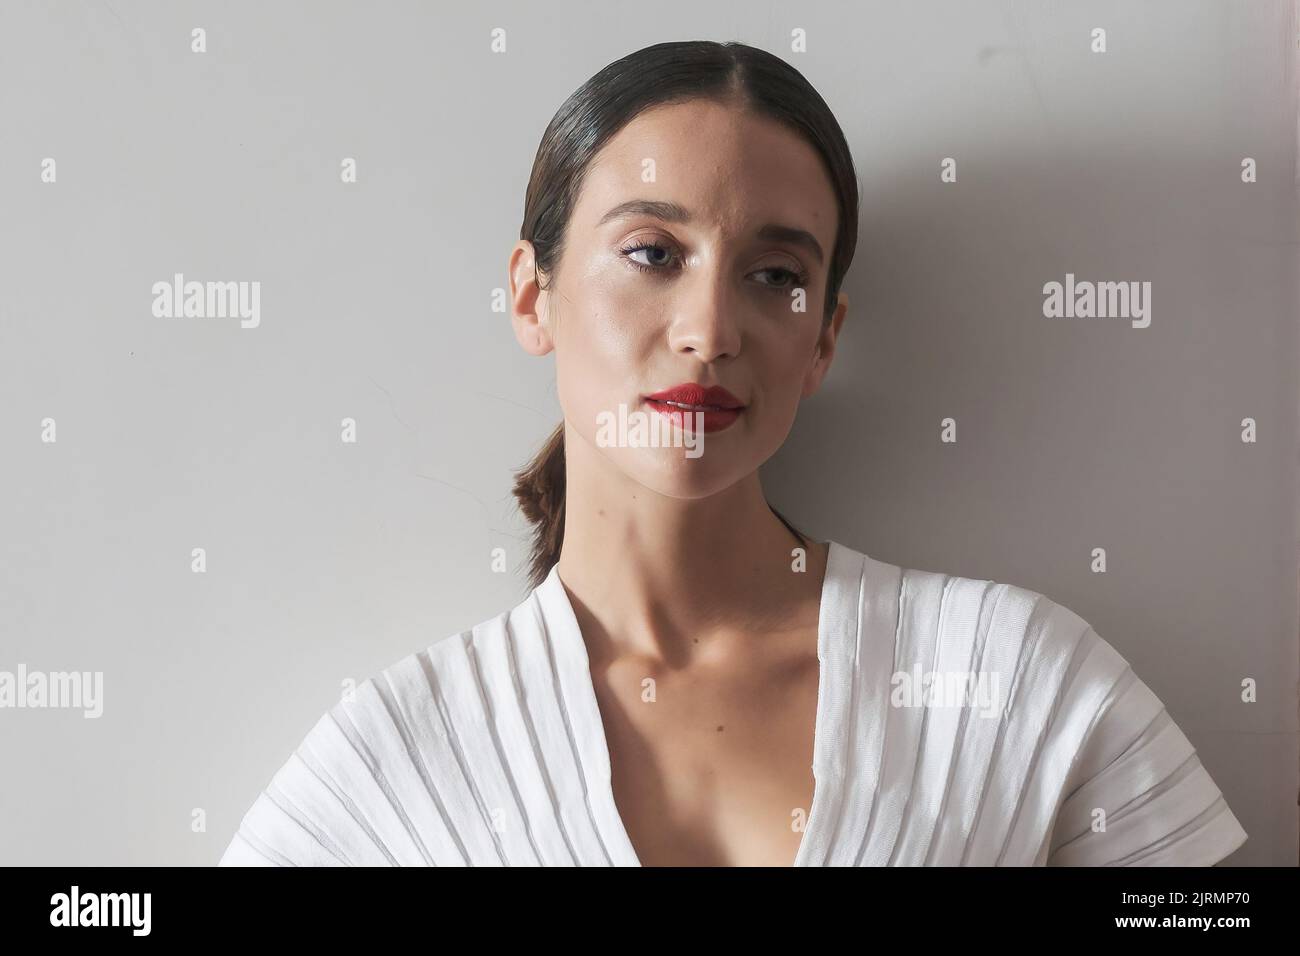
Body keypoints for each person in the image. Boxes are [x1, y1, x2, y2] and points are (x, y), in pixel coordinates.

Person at [218, 39, 1246, 867]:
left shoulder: (1010, 677)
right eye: (652, 254)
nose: (709, 327)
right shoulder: (400, 754)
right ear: (534, 294)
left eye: (772, 273)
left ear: (823, 338)